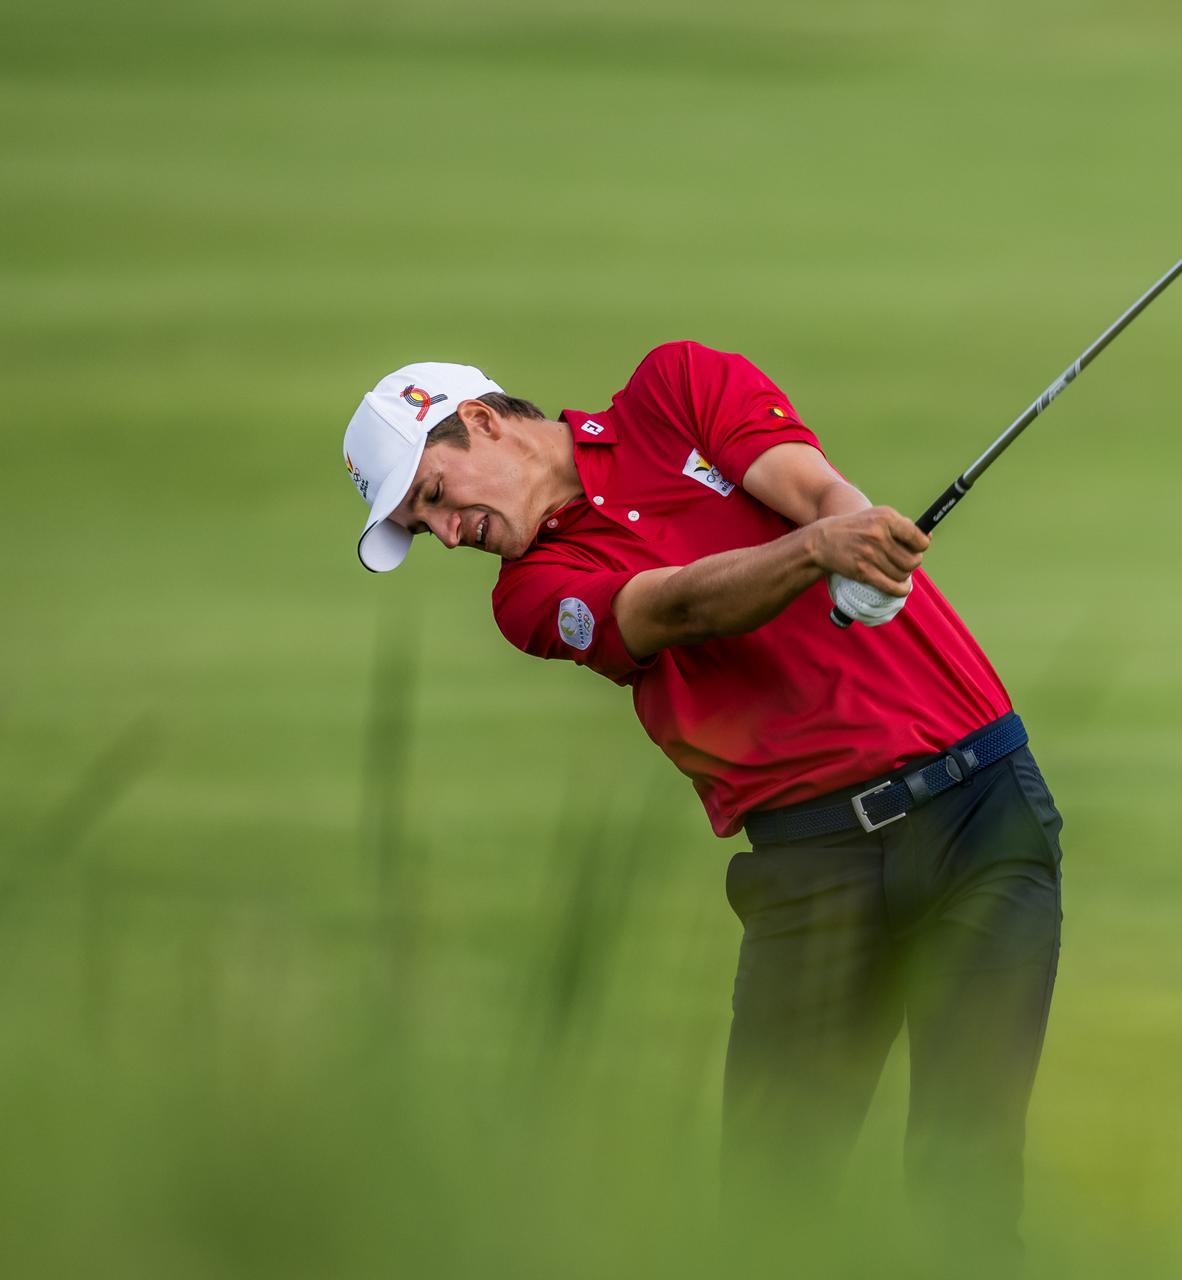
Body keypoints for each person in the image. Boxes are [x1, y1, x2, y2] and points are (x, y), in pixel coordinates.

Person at [340, 344, 1064, 1255]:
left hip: (982, 816)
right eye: (421, 526)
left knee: (967, 1179)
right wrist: (815, 554)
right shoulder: (529, 597)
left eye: (435, 497)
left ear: (480, 419)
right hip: (813, 872)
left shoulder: (674, 389)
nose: (447, 534)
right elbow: (675, 610)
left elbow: (818, 492)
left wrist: (855, 538)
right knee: (769, 1207)